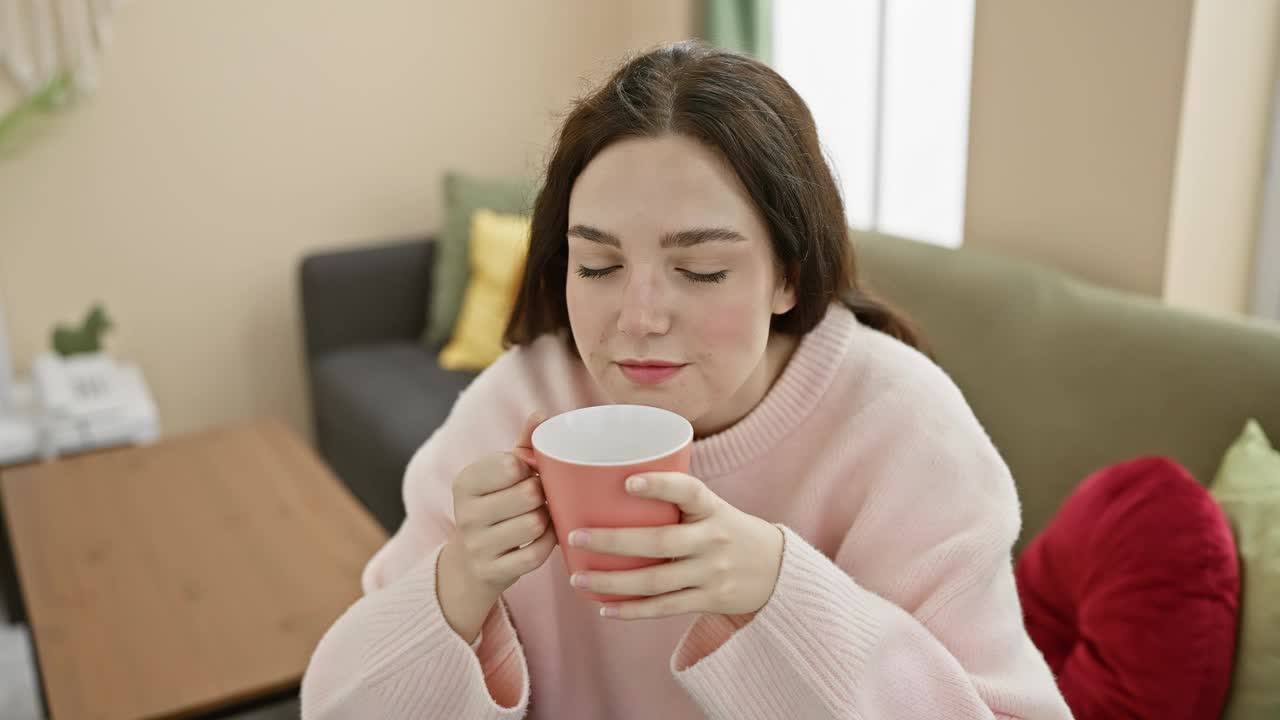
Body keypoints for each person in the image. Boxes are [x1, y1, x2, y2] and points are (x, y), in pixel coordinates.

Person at [300, 40, 1071, 720]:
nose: (638, 318)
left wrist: (780, 593)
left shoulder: (905, 429)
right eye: (597, 265)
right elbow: (335, 704)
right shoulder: (521, 403)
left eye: (700, 270)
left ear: (788, 278)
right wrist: (457, 587)